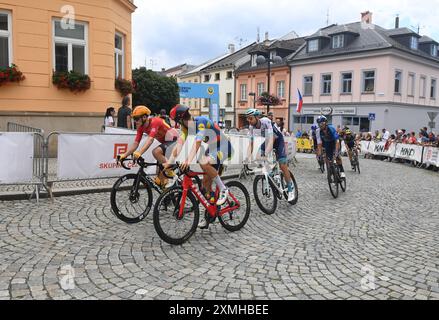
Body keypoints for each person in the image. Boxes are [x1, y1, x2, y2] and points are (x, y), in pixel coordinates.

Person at [167, 105, 233, 228]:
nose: (178, 125)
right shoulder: (186, 127)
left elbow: (197, 145)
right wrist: (169, 162)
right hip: (213, 148)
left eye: (177, 122)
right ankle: (210, 213)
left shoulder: (201, 122)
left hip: (224, 146)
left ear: (181, 119)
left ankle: (224, 189)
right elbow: (179, 146)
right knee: (205, 187)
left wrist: (187, 161)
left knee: (203, 161)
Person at [117, 106, 179, 188]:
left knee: (156, 152)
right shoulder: (141, 127)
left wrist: (139, 153)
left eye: (136, 118)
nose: (135, 121)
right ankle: (168, 196)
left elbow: (150, 140)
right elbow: (136, 143)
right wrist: (125, 155)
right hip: (166, 143)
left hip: (175, 141)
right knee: (159, 178)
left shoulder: (155, 122)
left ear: (144, 117)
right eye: (134, 119)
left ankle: (171, 171)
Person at [245, 108, 296, 202]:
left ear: (257, 117)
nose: (249, 121)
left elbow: (272, 139)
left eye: (250, 118)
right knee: (258, 157)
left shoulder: (266, 121)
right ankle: (271, 173)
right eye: (247, 118)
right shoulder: (251, 127)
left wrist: (265, 154)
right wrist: (247, 158)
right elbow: (251, 144)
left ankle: (290, 188)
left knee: (282, 164)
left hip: (278, 140)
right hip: (268, 140)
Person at [316, 115, 346, 179]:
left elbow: (337, 141)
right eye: (319, 124)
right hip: (327, 143)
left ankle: (341, 170)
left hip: (334, 142)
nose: (320, 125)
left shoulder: (331, 128)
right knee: (327, 157)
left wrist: (336, 152)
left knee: (337, 156)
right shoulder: (318, 131)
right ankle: (330, 170)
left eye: (322, 123)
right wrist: (320, 153)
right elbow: (319, 143)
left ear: (326, 123)